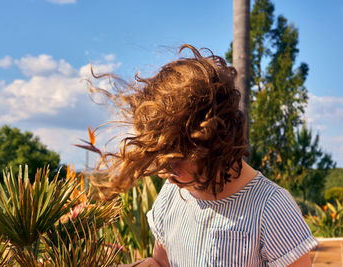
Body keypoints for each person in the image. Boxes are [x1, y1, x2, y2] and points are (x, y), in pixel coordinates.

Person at [93, 44, 317, 266]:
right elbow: (161, 262)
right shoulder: (172, 195)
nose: (165, 174)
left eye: (175, 161)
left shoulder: (271, 207)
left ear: (214, 143)